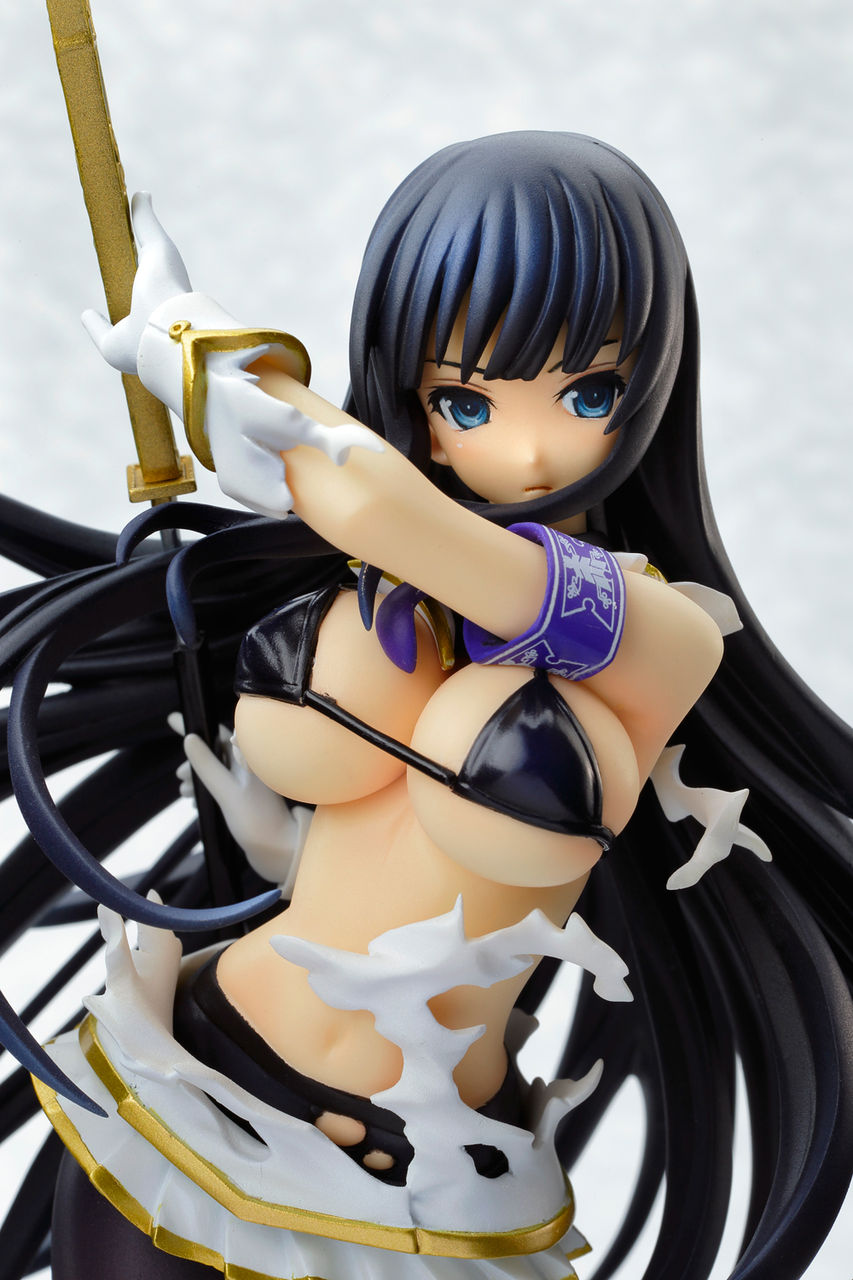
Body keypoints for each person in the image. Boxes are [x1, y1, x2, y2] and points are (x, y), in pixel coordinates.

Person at [1, 132, 851, 1280]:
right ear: (412, 388)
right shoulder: (360, 571)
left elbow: (379, 503)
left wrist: (198, 349)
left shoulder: (656, 633)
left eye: (589, 391)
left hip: (433, 1184)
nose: (532, 445)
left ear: (655, 380)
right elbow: (365, 510)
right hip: (204, 1084)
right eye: (466, 396)